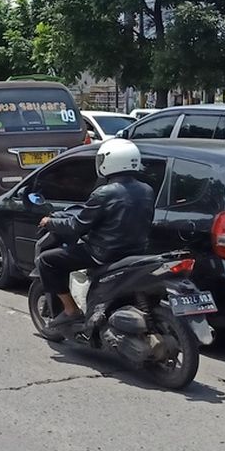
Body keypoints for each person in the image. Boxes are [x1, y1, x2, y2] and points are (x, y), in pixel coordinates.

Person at [36, 138, 155, 331]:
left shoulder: (104, 193)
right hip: (135, 252)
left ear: (110, 161)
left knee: (46, 260)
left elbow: (77, 226)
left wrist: (50, 222)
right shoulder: (147, 190)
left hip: (102, 254)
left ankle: (70, 310)